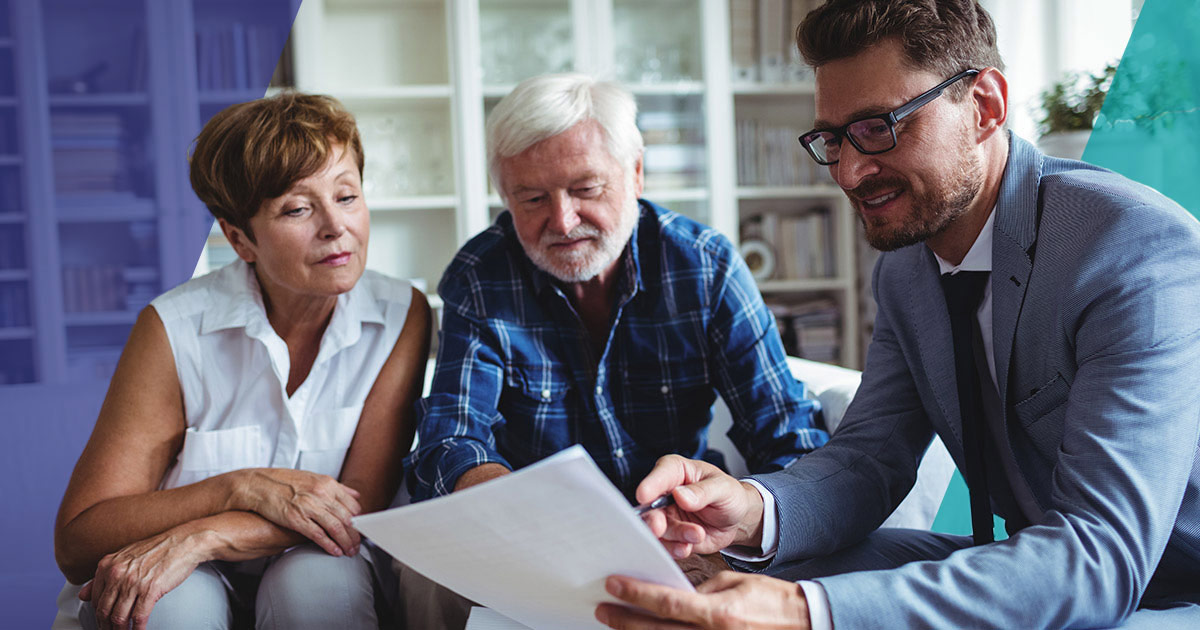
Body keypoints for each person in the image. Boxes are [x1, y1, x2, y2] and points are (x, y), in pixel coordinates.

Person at [594, 1, 1200, 629]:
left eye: (880, 126)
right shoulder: (908, 270)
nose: (850, 172)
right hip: (1035, 564)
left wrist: (805, 612)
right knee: (725, 580)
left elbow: (1102, 557)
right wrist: (747, 509)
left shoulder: (1130, 248)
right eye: (833, 139)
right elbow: (866, 459)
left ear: (985, 107)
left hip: (1164, 580)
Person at [401, 73, 827, 629]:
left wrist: (734, 523)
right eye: (531, 198)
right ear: (505, 198)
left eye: (584, 189)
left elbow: (790, 438)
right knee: (428, 577)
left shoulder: (706, 266)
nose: (562, 220)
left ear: (635, 174)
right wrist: (511, 506)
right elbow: (452, 438)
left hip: (675, 534)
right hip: (531, 538)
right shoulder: (481, 274)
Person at [52, 92, 431, 630]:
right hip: (177, 577)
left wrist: (205, 534)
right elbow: (78, 541)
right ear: (238, 238)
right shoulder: (173, 327)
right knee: (172, 606)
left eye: (347, 196)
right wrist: (239, 486)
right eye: (298, 209)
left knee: (318, 583)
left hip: (310, 559)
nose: (335, 226)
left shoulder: (402, 315)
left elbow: (355, 510)